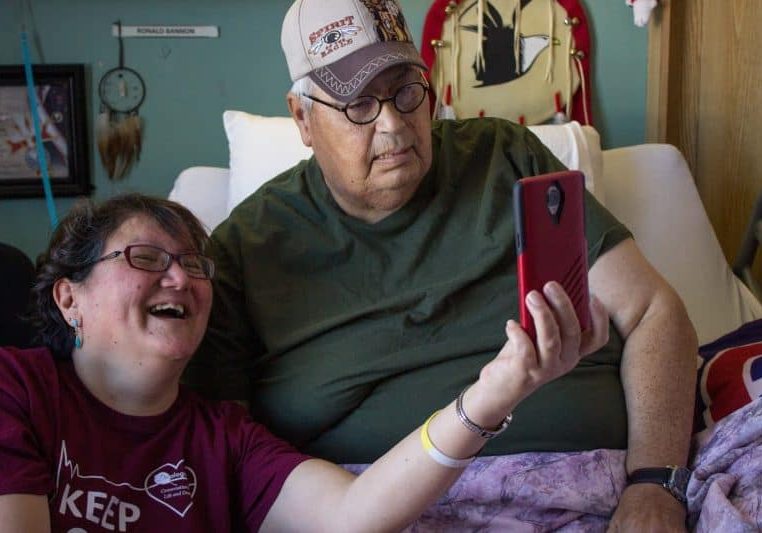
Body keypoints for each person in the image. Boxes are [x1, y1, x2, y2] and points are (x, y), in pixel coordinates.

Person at [186, 0, 698, 529]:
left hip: (602, 490)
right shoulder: (245, 248)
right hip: (380, 510)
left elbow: (652, 312)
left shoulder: (504, 158)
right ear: (303, 118)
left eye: (407, 90)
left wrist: (656, 484)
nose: (394, 124)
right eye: (359, 103)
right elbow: (219, 445)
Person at [0, 193, 605, 532]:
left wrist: (494, 393)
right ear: (69, 296)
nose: (181, 278)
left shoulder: (224, 439)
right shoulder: (16, 389)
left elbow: (354, 514)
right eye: (146, 257)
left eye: (193, 263)